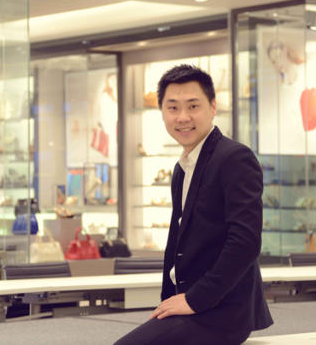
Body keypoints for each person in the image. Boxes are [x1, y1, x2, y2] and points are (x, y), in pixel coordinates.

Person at [115, 64, 272, 345]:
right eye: (172, 107)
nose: (183, 117)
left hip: (221, 311)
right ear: (161, 112)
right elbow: (177, 243)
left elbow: (245, 242)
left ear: (213, 107)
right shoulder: (183, 168)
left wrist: (195, 300)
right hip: (190, 305)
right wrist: (169, 301)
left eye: (193, 106)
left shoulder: (234, 157)